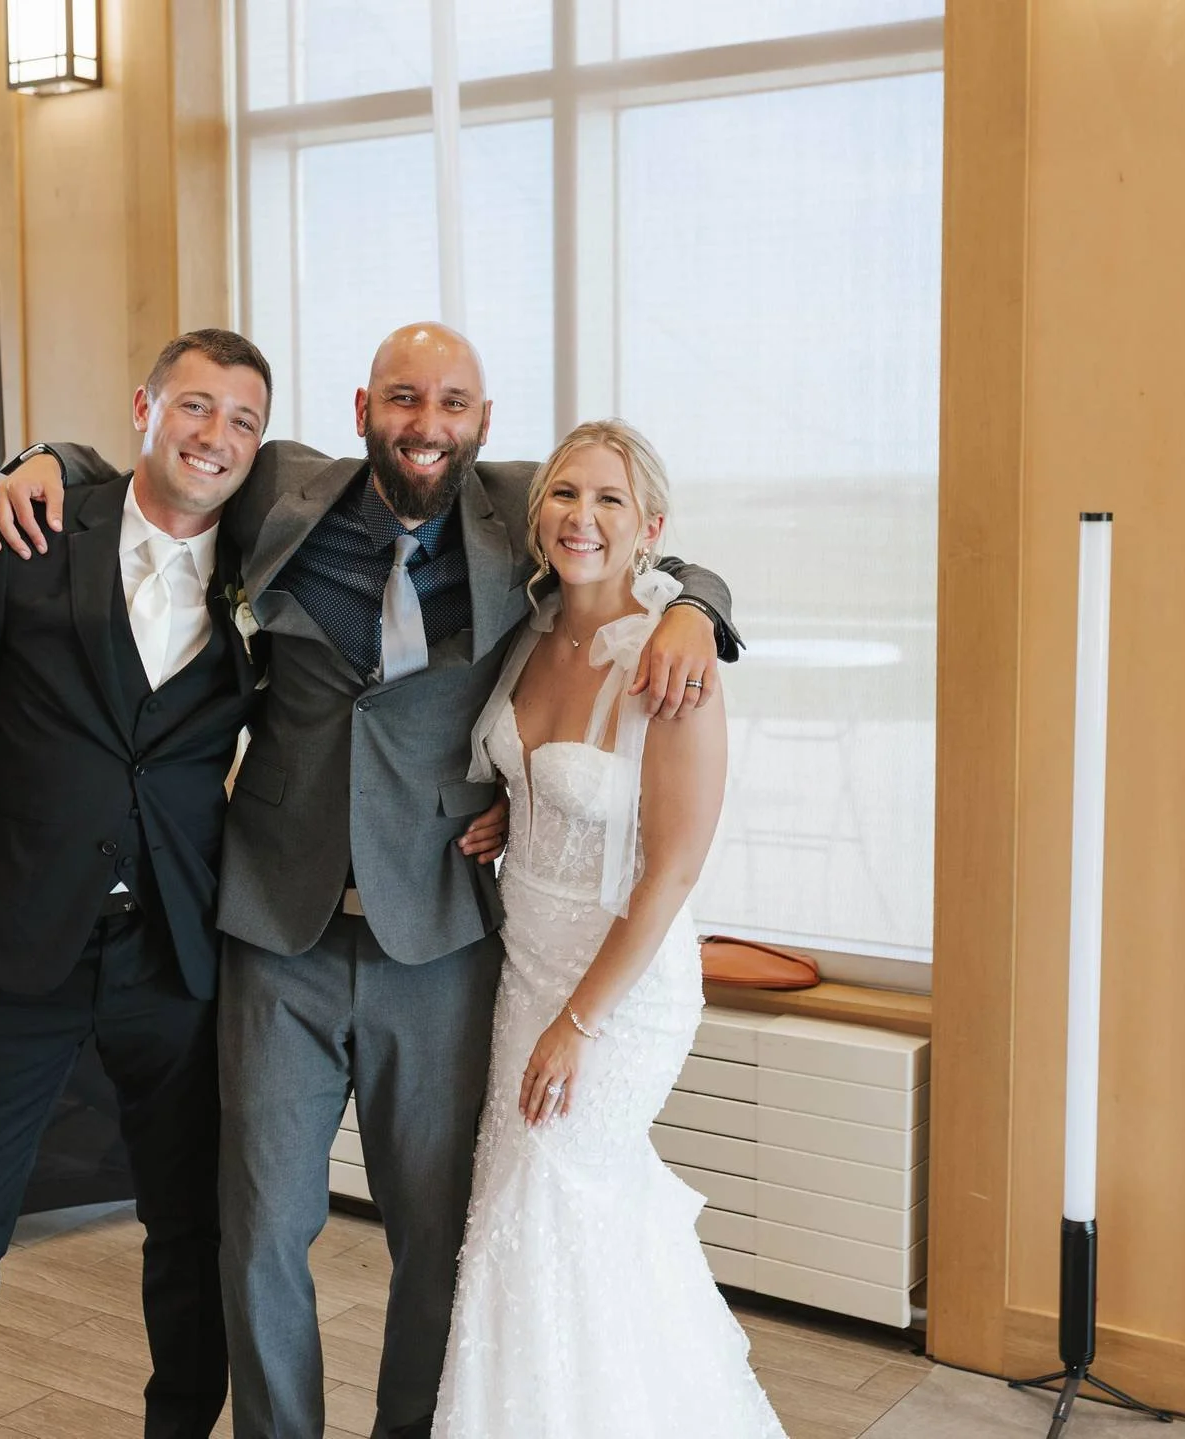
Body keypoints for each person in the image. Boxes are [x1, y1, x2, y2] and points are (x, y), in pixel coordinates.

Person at [0, 324, 741, 1439]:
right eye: (406, 398)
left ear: (483, 418)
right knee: (262, 1228)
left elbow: (645, 545)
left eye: (455, 404)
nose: (429, 425)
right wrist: (42, 458)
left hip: (439, 940)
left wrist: (694, 609)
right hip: (278, 927)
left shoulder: (521, 503)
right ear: (364, 404)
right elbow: (157, 460)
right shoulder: (283, 481)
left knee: (437, 1234)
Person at [0, 330, 273, 1439]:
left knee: (191, 1235)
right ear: (145, 407)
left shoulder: (270, 562)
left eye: (242, 421)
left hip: (179, 956)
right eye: (194, 407)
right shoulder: (24, 530)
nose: (215, 437)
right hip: (8, 945)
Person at [433, 420, 783, 1437]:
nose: (581, 517)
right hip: (523, 969)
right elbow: (540, 775)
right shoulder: (529, 630)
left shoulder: (674, 657)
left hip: (619, 991)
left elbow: (672, 865)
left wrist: (578, 1023)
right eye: (564, 495)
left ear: (651, 528)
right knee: (523, 1213)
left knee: (553, 1198)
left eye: (608, 500)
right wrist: (519, 805)